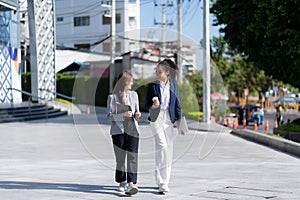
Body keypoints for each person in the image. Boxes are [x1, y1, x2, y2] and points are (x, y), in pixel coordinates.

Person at [145, 58, 182, 194]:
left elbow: (177, 105)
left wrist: (180, 122)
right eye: (156, 71)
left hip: (169, 119)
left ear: (167, 72)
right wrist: (153, 105)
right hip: (156, 117)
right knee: (162, 146)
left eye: (159, 71)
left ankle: (165, 181)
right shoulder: (152, 86)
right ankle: (161, 182)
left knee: (168, 150)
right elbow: (146, 104)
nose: (157, 74)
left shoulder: (174, 86)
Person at [106, 71, 141, 195]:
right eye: (130, 81)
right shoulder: (112, 97)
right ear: (124, 82)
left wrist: (137, 115)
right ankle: (122, 182)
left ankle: (131, 183)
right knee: (120, 158)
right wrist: (122, 115)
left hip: (133, 130)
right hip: (118, 131)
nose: (132, 83)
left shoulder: (134, 95)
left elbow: (137, 111)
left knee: (132, 156)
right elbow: (109, 116)